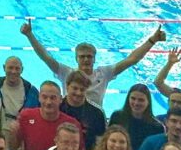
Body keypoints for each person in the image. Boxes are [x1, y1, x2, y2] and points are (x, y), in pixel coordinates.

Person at [20, 19, 166, 109]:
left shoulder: (103, 73)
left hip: (94, 118)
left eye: (89, 57)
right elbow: (45, 57)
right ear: (76, 59)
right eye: (82, 57)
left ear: (94, 59)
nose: (86, 60)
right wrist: (30, 35)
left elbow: (132, 59)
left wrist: (152, 40)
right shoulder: (67, 73)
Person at [12, 80, 83, 150]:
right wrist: (14, 134)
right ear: (39, 97)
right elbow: (16, 147)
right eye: (44, 97)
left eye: (53, 98)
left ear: (60, 99)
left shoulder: (72, 124)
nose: (48, 102)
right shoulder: (26, 116)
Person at [0, 56, 39, 144]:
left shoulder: (31, 92)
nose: (13, 71)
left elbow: (35, 120)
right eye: (10, 68)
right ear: (3, 68)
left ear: (22, 70)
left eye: (17, 68)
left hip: (19, 145)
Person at [59, 71, 107, 150]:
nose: (78, 93)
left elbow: (100, 144)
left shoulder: (97, 113)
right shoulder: (57, 107)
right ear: (67, 87)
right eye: (75, 88)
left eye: (82, 89)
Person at [108, 85, 165, 150]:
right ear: (128, 99)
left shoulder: (157, 127)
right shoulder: (117, 117)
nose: (136, 103)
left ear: (148, 102)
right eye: (133, 98)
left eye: (141, 100)